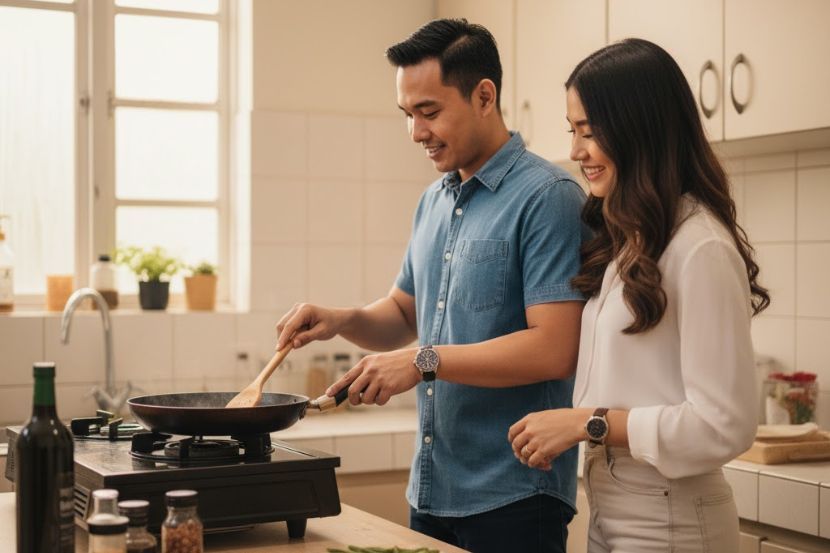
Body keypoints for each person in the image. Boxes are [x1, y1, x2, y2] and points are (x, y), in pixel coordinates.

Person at [276, 18, 587, 553]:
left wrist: (422, 360)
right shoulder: (435, 201)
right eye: (408, 114)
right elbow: (403, 312)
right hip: (432, 491)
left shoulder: (548, 197)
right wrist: (342, 320)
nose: (416, 132)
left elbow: (555, 349)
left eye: (429, 112)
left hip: (513, 496)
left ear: (484, 96)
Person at [508, 38, 770, 553]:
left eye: (589, 132)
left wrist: (588, 422)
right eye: (572, 132)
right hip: (615, 506)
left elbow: (726, 425)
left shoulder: (701, 248)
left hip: (670, 516)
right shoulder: (634, 242)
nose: (576, 151)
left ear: (638, 127)